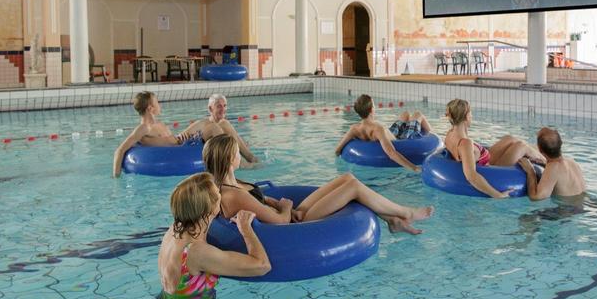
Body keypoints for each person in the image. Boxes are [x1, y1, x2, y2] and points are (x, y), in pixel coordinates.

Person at [205, 134, 434, 235]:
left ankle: (393, 220)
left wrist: (279, 203)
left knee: (348, 179)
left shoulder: (234, 182)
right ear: (229, 160)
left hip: (292, 214)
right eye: (237, 153)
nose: (240, 156)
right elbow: (279, 222)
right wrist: (285, 208)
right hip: (292, 228)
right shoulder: (231, 195)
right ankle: (406, 212)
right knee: (352, 189)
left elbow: (259, 198)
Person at [155, 172, 270, 299]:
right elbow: (262, 266)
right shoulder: (198, 252)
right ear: (208, 209)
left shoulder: (175, 227)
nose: (222, 195)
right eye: (218, 194)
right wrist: (245, 229)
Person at [443, 99, 545, 199]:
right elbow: (471, 176)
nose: (472, 116)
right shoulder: (465, 143)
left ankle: (539, 155)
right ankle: (547, 162)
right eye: (470, 113)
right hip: (490, 168)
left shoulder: (450, 134)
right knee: (521, 146)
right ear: (465, 117)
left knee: (510, 139)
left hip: (484, 159)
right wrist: (498, 195)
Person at [334, 94, 433, 172]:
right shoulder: (377, 128)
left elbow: (337, 150)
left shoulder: (354, 129)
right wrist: (414, 168)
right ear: (372, 110)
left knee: (405, 114)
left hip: (391, 133)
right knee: (418, 114)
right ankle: (432, 137)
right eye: (374, 104)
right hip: (402, 139)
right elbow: (391, 153)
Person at [112, 91, 181, 177]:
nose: (160, 105)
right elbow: (120, 150)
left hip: (179, 150)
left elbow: (173, 141)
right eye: (157, 103)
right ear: (150, 108)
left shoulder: (160, 124)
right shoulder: (143, 128)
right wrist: (116, 177)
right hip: (166, 161)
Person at [178, 94, 258, 167]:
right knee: (216, 128)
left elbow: (237, 141)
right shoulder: (202, 124)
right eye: (219, 106)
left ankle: (249, 159)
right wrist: (181, 136)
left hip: (227, 156)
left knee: (251, 157)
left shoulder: (225, 123)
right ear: (210, 109)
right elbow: (180, 138)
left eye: (224, 106)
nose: (223, 109)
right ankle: (241, 163)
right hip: (201, 154)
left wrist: (251, 157)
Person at [517, 128, 586, 200]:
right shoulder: (572, 162)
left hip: (567, 210)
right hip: (583, 204)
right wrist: (545, 164)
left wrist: (530, 171)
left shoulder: (553, 168)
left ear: (540, 150)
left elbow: (536, 198)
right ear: (561, 143)